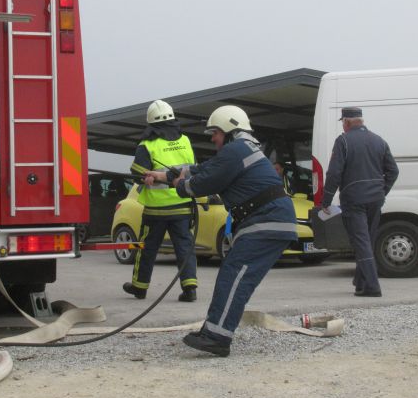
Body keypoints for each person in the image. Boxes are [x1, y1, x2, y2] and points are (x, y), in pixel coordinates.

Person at [144, 105, 297, 357]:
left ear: (229, 129)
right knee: (233, 276)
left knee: (235, 276)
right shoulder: (241, 150)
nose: (212, 138)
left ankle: (216, 337)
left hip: (266, 221)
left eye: (215, 132)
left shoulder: (235, 150)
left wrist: (179, 184)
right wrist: (163, 176)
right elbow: (204, 169)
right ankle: (213, 331)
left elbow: (203, 182)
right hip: (268, 221)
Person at [123, 100, 198, 302]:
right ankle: (190, 287)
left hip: (156, 210)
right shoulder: (185, 141)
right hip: (183, 204)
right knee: (185, 248)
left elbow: (138, 172)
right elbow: (192, 168)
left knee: (146, 248)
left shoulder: (147, 145)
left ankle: (139, 287)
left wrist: (145, 177)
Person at [321, 107, 399, 297]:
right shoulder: (379, 140)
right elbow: (393, 171)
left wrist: (326, 200)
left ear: (347, 122)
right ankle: (360, 283)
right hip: (375, 200)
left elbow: (334, 173)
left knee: (361, 242)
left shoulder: (343, 141)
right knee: (367, 240)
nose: (343, 126)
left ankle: (372, 286)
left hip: (354, 199)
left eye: (342, 123)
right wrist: (382, 191)